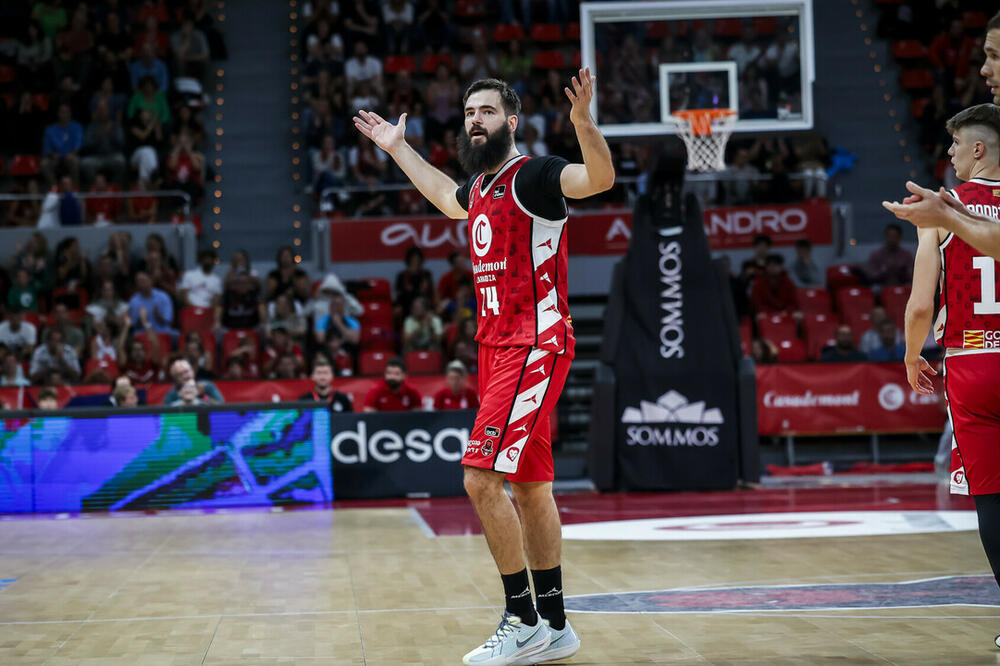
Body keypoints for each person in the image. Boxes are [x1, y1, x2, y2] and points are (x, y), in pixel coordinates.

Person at [354, 68, 614, 663]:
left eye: (488, 112)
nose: (476, 120)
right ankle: (554, 623)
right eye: (470, 112)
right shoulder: (479, 189)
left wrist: (583, 123)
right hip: (497, 351)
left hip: (536, 344)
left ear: (511, 120)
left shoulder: (538, 175)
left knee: (479, 476)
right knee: (529, 485)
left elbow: (598, 178)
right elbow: (447, 198)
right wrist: (399, 150)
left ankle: (520, 618)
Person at [902, 104, 1000, 622]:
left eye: (957, 144)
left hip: (974, 363)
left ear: (978, 149)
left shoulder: (941, 211)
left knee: (992, 498)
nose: (950, 153)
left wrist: (912, 353)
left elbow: (921, 305)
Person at [128, 271, 175, 336]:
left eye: (143, 280)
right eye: (139, 281)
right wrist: (141, 319)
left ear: (150, 281)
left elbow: (167, 321)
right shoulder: (134, 301)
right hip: (143, 335)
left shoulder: (163, 297)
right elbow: (134, 325)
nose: (142, 284)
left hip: (162, 333)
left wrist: (157, 314)